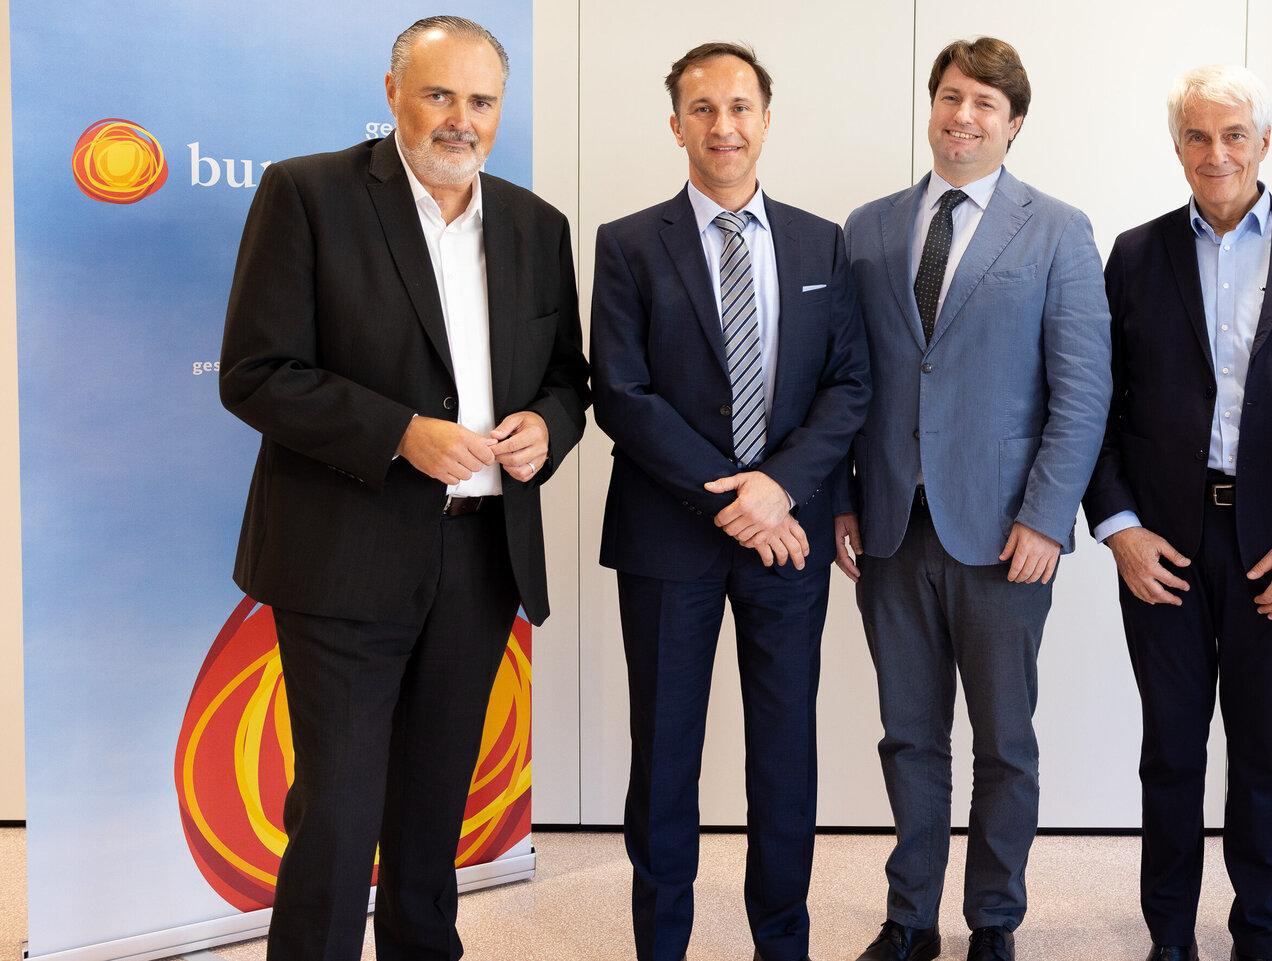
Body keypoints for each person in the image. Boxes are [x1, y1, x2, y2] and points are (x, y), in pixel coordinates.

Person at [218, 16, 589, 961]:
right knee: (339, 812)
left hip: (480, 555)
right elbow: (257, 372)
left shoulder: (536, 224)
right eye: (438, 95)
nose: (459, 119)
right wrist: (400, 435)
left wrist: (548, 422)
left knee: (434, 809)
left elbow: (565, 377)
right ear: (393, 94)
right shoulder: (307, 194)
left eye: (480, 101)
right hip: (345, 552)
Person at [1083, 64, 1272, 961]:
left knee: (1262, 751)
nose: (1217, 153)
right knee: (1170, 750)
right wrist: (1119, 527)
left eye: (1234, 134)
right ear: (1177, 146)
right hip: (1162, 543)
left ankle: (1260, 933)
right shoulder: (1136, 254)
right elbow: (1095, 404)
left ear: (1264, 142)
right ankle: (1169, 936)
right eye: (1198, 136)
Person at [589, 41, 870, 961]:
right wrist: (736, 500)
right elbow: (622, 395)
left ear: (765, 119)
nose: (723, 126)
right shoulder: (628, 242)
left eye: (740, 107)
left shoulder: (822, 241)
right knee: (664, 759)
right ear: (676, 125)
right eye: (703, 109)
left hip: (786, 541)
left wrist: (779, 488)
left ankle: (781, 943)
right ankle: (660, 946)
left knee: (784, 758)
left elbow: (848, 385)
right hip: (670, 540)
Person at [836, 35, 1110, 961]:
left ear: (1014, 123)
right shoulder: (869, 227)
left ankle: (994, 919)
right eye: (952, 96)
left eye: (986, 104)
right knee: (908, 738)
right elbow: (845, 379)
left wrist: (1047, 515)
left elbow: (1083, 389)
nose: (964, 115)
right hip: (886, 528)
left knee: (1004, 744)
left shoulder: (1058, 228)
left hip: (1003, 534)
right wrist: (841, 498)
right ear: (932, 105)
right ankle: (910, 917)